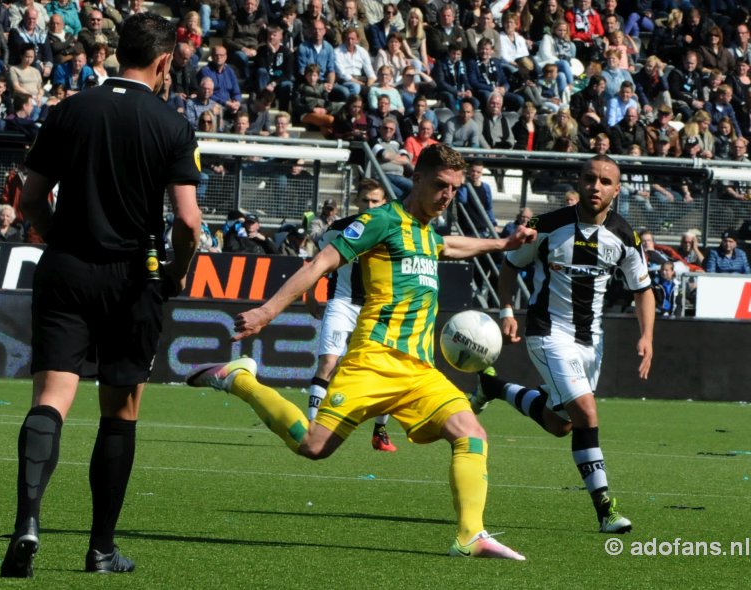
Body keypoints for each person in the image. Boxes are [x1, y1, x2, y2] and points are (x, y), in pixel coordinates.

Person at [186, 143, 536, 560]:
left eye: (455, 189)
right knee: (314, 447)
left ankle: (470, 536)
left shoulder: (425, 232)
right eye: (441, 185)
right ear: (418, 179)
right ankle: (241, 379)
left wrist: (502, 244)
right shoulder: (381, 221)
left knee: (471, 434)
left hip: (420, 371)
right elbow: (319, 264)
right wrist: (266, 312)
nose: (447, 195)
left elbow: (449, 247)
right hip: (372, 359)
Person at [0, 13, 202, 578]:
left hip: (66, 268)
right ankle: (101, 549)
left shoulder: (70, 110)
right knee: (120, 408)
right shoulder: (170, 123)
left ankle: (27, 524)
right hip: (132, 277)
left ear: (119, 53)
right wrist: (176, 276)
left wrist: (57, 233)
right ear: (163, 62)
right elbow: (187, 222)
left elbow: (32, 199)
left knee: (50, 399)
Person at [471, 155, 655, 535]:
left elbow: (643, 290)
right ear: (580, 181)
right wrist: (506, 309)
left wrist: (647, 335)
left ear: (617, 190)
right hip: (547, 333)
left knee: (561, 425)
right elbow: (510, 264)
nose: (596, 186)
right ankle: (606, 509)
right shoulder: (546, 226)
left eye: (605, 181)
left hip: (591, 342)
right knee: (587, 414)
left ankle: (495, 387)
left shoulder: (625, 236)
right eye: (590, 178)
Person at [305, 180, 398, 452]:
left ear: (384, 203)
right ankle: (312, 427)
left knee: (386, 369)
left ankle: (380, 431)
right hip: (342, 302)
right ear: (357, 202)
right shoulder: (338, 229)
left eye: (376, 201)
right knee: (328, 363)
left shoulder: (393, 231)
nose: (370, 206)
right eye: (366, 201)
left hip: (376, 307)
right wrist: (311, 294)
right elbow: (318, 264)